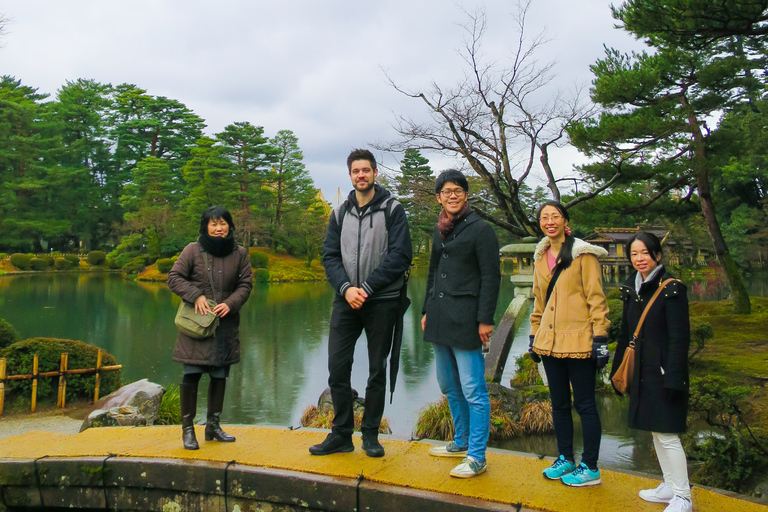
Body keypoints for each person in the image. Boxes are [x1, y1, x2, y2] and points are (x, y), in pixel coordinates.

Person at [309, 149, 412, 458]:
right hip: (345, 301)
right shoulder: (339, 213)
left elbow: (400, 255)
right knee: (337, 369)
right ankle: (341, 433)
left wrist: (366, 287)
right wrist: (345, 288)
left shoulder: (392, 210)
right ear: (350, 175)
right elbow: (329, 255)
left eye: (366, 170)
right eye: (356, 171)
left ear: (375, 173)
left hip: (382, 301)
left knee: (377, 369)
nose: (361, 175)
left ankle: (370, 434)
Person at [421, 170, 500, 478]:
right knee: (448, 384)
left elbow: (491, 277)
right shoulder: (440, 229)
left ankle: (477, 456)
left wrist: (485, 319)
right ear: (439, 197)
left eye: (457, 191)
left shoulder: (481, 229)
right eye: (446, 191)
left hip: (467, 318)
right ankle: (461, 440)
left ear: (466, 195)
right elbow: (432, 273)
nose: (452, 195)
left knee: (473, 389)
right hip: (440, 317)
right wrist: (427, 309)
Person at [528, 201, 610, 487]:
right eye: (544, 217)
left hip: (579, 339)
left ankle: (590, 465)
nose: (549, 221)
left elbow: (596, 299)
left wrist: (600, 337)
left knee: (585, 404)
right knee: (559, 403)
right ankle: (566, 457)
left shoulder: (582, 255)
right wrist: (533, 333)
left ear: (565, 221)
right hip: (549, 342)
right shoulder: (540, 257)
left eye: (555, 216)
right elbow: (539, 300)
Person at [610, 232, 692, 512]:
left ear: (657, 255)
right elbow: (625, 335)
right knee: (657, 433)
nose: (639, 259)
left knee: (668, 435)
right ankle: (670, 485)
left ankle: (683, 496)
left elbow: (680, 338)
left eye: (644, 253)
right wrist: (616, 371)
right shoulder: (633, 290)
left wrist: (675, 377)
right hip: (643, 373)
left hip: (663, 372)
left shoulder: (672, 289)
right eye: (634, 254)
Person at [167, 205, 253, 450]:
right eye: (213, 224)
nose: (218, 228)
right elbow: (174, 278)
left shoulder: (240, 254)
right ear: (205, 226)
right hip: (197, 325)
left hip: (224, 325)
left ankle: (213, 426)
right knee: (191, 374)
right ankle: (187, 430)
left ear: (230, 226)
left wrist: (231, 303)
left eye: (223, 223)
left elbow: (245, 285)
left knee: (219, 375)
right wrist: (195, 295)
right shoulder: (192, 250)